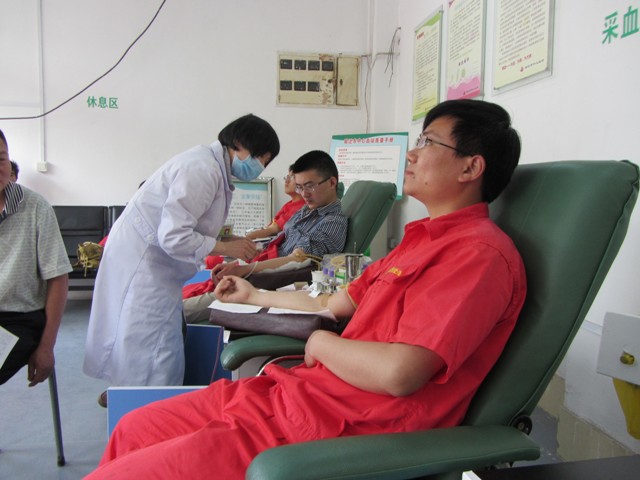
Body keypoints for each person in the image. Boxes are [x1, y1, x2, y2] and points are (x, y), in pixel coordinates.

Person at [85, 99, 527, 479]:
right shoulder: (418, 241)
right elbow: (333, 302)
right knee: (133, 428)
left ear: (471, 166)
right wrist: (254, 295)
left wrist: (320, 343)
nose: (412, 153)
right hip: (296, 394)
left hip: (340, 426)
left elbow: (399, 373)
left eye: (428, 142)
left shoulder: (477, 256)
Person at [83, 114, 280, 403]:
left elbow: (189, 225)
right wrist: (226, 248)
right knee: (154, 354)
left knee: (148, 346)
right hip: (147, 269)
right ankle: (140, 406)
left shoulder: (208, 165)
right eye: (262, 158)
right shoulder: (203, 169)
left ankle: (131, 397)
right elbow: (174, 235)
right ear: (239, 143)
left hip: (152, 266)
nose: (260, 166)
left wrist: (227, 243)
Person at [182, 150, 348, 324]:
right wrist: (241, 261)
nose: (304, 193)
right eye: (299, 187)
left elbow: (297, 260)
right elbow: (278, 241)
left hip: (275, 282)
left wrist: (247, 269)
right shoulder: (305, 211)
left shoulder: (332, 222)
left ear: (332, 182)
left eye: (310, 186)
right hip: (263, 270)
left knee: (188, 307)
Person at [0, 129, 72, 387]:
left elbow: (58, 278)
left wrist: (47, 346)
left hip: (17, 318)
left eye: (1, 159)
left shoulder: (35, 207)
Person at [245, 164, 304, 240]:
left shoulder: (300, 208)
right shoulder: (291, 204)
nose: (286, 180)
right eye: (287, 177)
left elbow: (273, 230)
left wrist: (247, 237)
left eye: (292, 177)